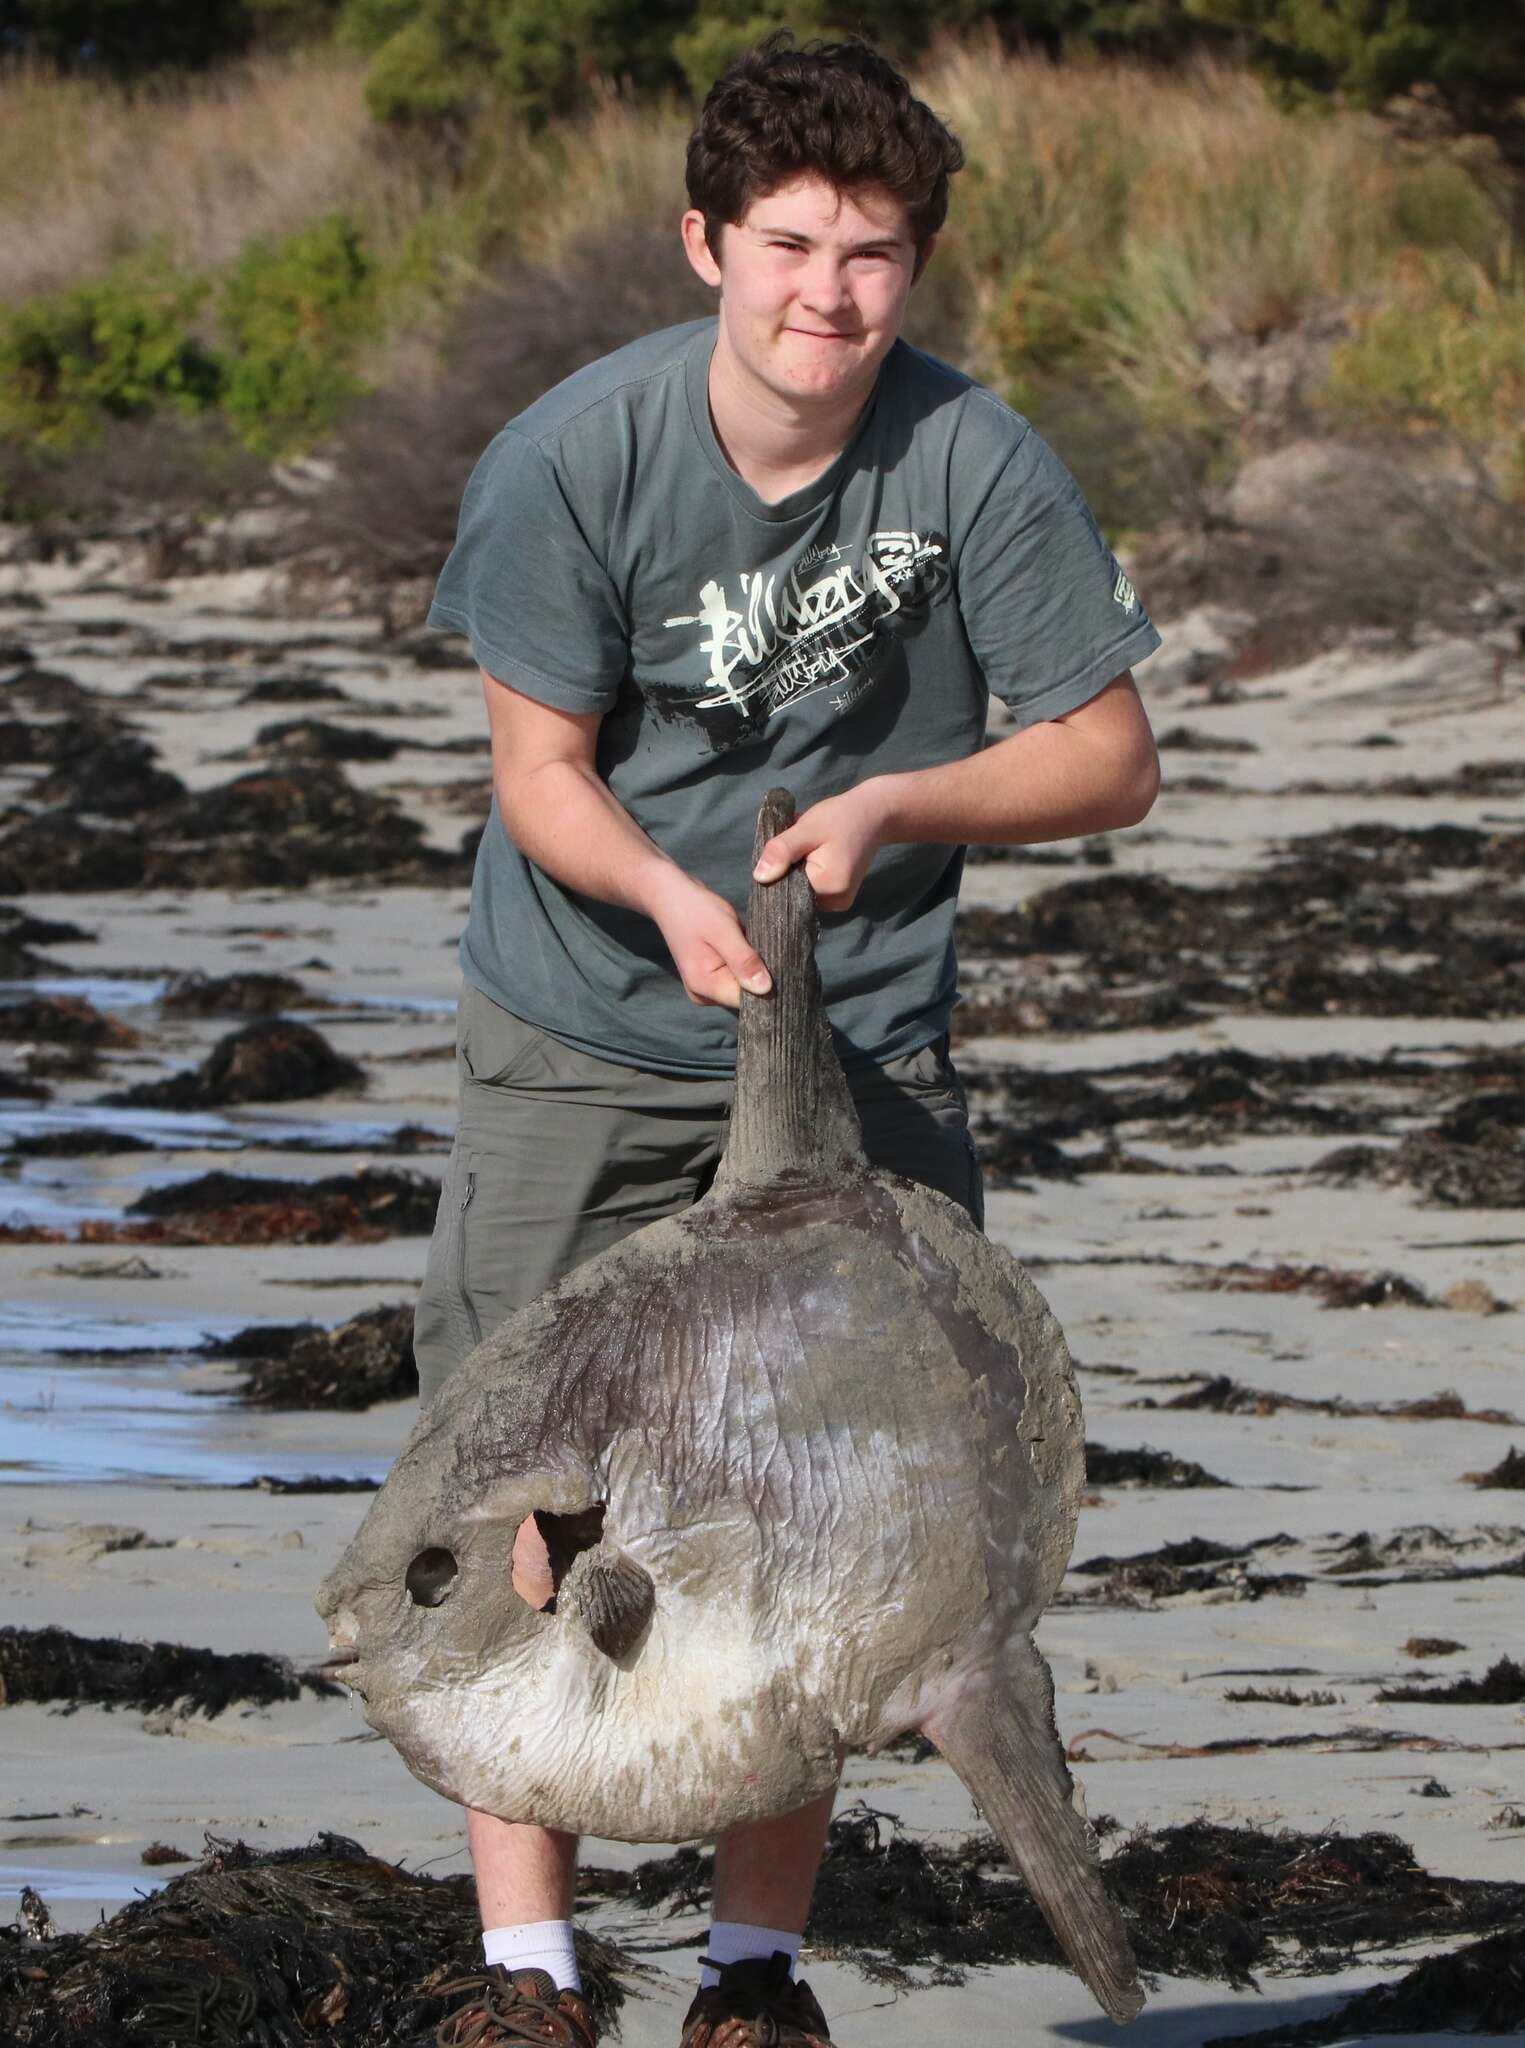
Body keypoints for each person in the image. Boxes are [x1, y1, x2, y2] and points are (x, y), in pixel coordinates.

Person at [411, 30, 1161, 2048]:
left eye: (874, 254)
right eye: (791, 245)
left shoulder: (970, 460)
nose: (828, 294)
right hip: (584, 1023)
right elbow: (541, 775)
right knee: (537, 1501)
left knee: (834, 1509)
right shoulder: (579, 457)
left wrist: (900, 804)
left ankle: (752, 1980)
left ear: (915, 267)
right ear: (702, 243)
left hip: (859, 1052)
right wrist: (667, 895)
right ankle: (530, 1972)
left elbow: (1109, 756)